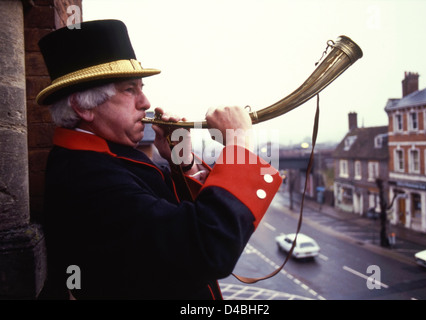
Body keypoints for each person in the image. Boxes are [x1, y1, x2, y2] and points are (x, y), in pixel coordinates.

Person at [37, 19, 281, 299]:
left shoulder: (99, 158)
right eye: (130, 89)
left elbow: (171, 220)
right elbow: (207, 247)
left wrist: (182, 160)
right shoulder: (86, 178)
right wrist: (238, 146)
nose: (146, 102)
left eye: (141, 87)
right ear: (82, 106)